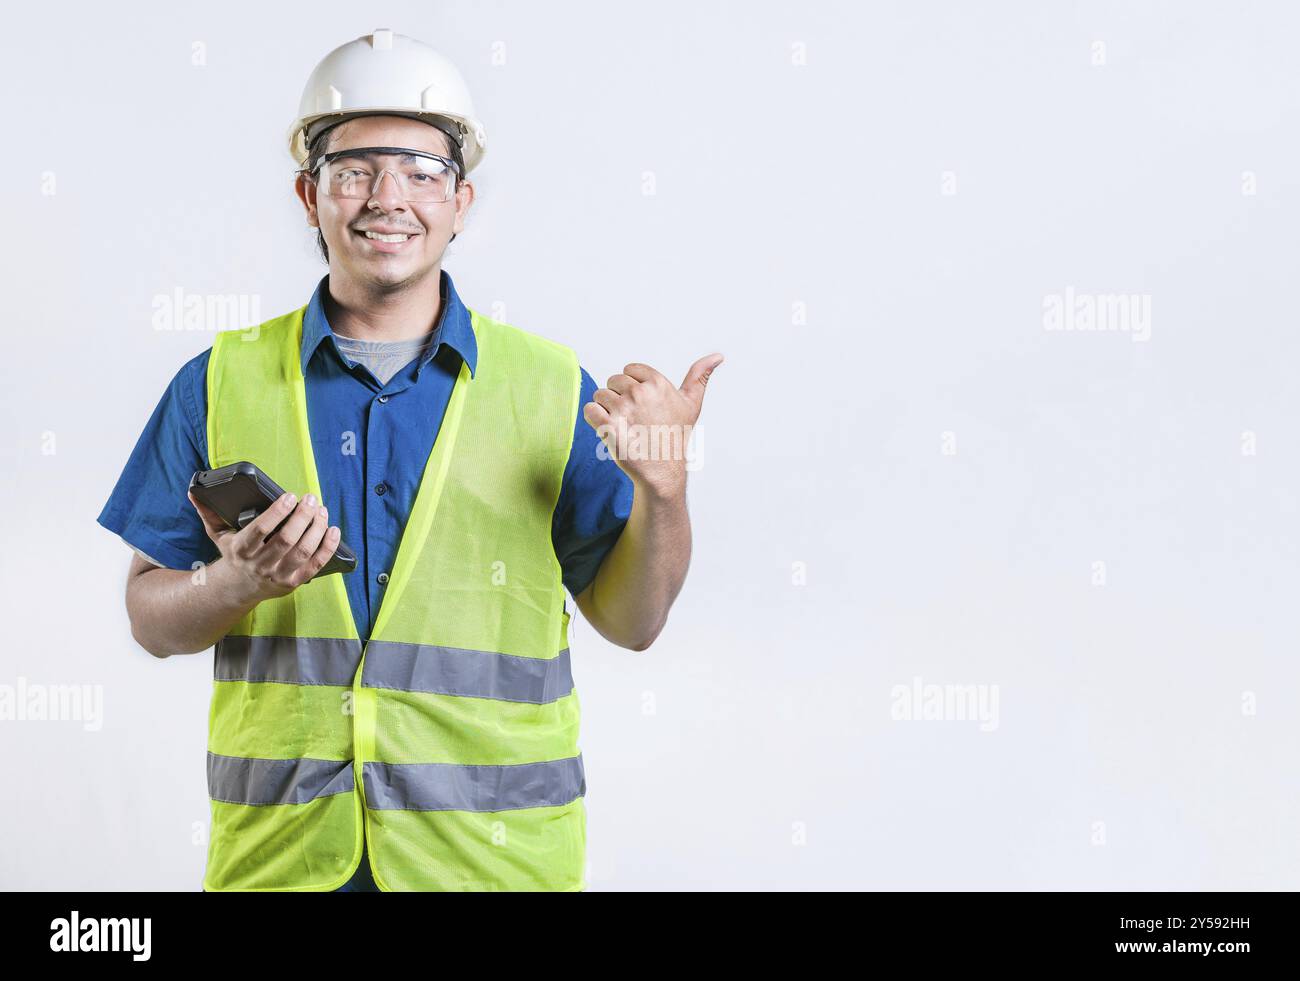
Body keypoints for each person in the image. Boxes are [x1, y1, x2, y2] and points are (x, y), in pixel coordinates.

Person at [97, 28, 721, 892]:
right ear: (307, 193)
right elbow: (147, 616)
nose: (387, 197)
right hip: (283, 865)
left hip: (491, 868)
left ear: (461, 200)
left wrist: (666, 493)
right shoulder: (217, 382)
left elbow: (634, 621)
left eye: (421, 171)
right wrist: (234, 583)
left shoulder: (549, 387)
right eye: (354, 170)